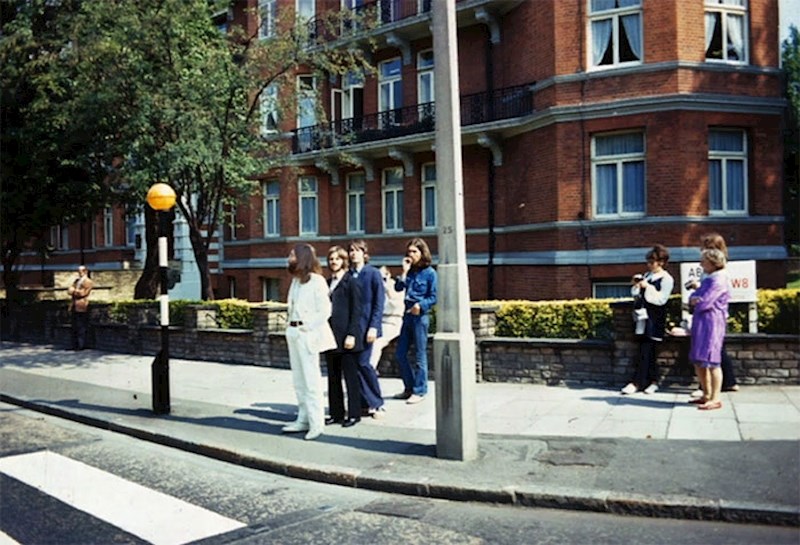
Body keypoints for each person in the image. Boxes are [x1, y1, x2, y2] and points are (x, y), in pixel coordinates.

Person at [283, 243, 337, 441]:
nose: (289, 258)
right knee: (298, 380)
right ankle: (303, 418)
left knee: (311, 380)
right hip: (293, 332)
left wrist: (308, 327)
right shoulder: (296, 281)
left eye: (292, 255)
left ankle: (316, 423)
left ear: (303, 257)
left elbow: (325, 311)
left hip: (307, 334)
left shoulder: (317, 281)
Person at [687, 233, 739, 396]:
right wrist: (695, 298)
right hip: (703, 322)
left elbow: (705, 301)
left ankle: (714, 396)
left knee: (713, 359)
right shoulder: (710, 277)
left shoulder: (719, 278)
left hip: (712, 322)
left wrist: (697, 300)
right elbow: (694, 298)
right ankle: (706, 393)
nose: (701, 264)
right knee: (701, 359)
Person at [621, 244, 674, 395]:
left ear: (661, 262)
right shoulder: (647, 275)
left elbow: (661, 299)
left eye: (652, 262)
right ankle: (646, 381)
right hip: (643, 317)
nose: (649, 265)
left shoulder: (666, 278)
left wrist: (648, 287)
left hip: (655, 318)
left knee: (650, 349)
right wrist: (637, 286)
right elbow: (637, 295)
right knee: (643, 349)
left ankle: (643, 382)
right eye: (648, 262)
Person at [392, 238, 437, 404]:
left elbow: (434, 296)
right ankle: (409, 387)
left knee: (420, 354)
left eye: (414, 252)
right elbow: (398, 288)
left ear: (422, 253)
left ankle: (420, 390)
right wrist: (404, 271)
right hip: (407, 315)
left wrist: (421, 305)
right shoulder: (409, 272)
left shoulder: (430, 273)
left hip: (420, 316)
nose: (411, 255)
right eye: (409, 252)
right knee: (400, 353)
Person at [324, 246, 364, 428]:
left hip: (347, 337)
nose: (334, 262)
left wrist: (352, 334)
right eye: (331, 259)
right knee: (333, 377)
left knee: (350, 378)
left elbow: (357, 311)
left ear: (343, 261)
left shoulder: (352, 282)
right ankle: (336, 413)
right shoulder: (327, 282)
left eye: (337, 259)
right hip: (330, 337)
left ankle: (354, 414)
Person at [347, 240, 386, 418]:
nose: (353, 253)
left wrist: (374, 326)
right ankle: (362, 403)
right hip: (353, 328)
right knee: (354, 366)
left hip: (367, 327)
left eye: (357, 250)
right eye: (351, 251)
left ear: (364, 253)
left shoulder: (372, 273)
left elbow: (379, 303)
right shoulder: (348, 275)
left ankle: (377, 403)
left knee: (364, 364)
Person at [369, 265, 405, 372]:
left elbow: (397, 305)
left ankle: (370, 369)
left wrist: (388, 291)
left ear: (389, 275)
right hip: (379, 321)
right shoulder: (374, 287)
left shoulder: (395, 286)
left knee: (377, 343)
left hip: (392, 321)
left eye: (383, 277)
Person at [67, 265, 94, 351]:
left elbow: (83, 293)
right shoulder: (77, 281)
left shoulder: (88, 282)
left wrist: (74, 291)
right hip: (74, 305)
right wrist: (73, 291)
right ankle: (74, 344)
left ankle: (81, 345)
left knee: (81, 326)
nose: (79, 273)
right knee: (74, 326)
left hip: (82, 305)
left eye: (81, 271)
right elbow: (69, 289)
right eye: (78, 271)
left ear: (85, 271)